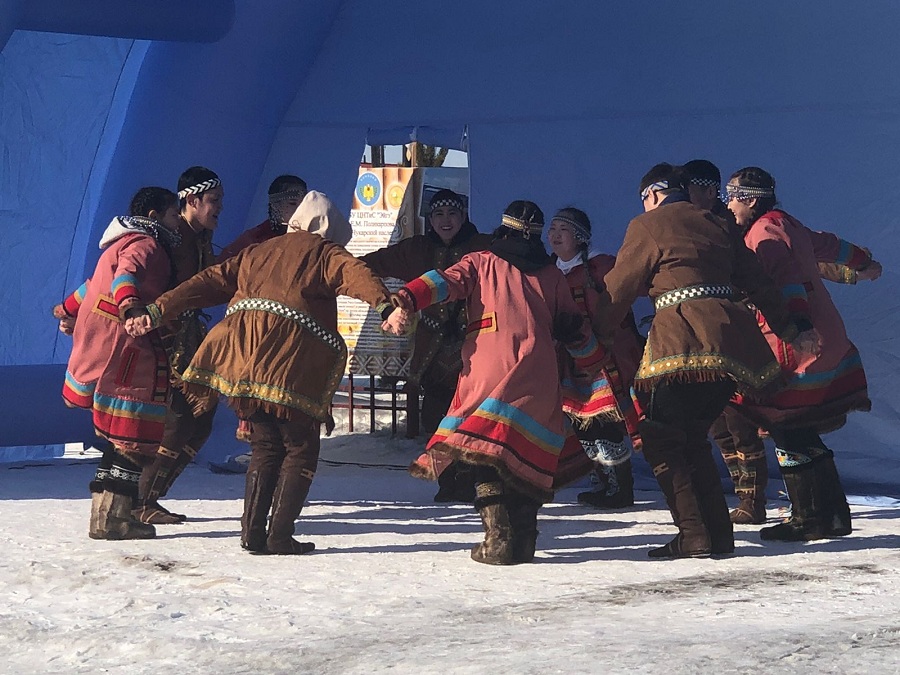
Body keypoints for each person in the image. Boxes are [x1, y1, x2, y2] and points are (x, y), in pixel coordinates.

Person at [126, 192, 394, 555]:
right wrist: (385, 304)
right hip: (289, 362)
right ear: (328, 229)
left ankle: (252, 533)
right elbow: (355, 274)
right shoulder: (323, 251)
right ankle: (280, 535)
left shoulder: (257, 252)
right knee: (300, 446)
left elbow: (207, 282)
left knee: (266, 445)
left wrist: (158, 310)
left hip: (243, 359)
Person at [592, 163, 811, 559]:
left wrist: (591, 334)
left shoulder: (648, 225)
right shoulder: (719, 222)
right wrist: (791, 327)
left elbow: (617, 290)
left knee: (662, 438)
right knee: (691, 438)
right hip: (734, 344)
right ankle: (718, 536)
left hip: (684, 342)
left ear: (652, 195)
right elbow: (757, 281)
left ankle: (694, 533)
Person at [383, 200, 604, 565]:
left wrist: (405, 299)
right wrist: (597, 366)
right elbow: (575, 329)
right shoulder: (551, 275)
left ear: (502, 229)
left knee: (484, 452)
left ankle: (498, 539)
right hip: (540, 374)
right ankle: (525, 539)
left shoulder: (482, 262)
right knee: (527, 457)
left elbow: (442, 282)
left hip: (490, 368)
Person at [725, 167, 881, 541]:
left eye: (731, 197)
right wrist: (862, 261)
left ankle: (808, 517)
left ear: (748, 198)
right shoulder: (788, 223)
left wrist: (796, 324)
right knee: (802, 427)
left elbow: (784, 278)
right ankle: (833, 515)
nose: (728, 205)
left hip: (797, 338)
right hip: (826, 331)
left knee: (785, 424)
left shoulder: (763, 230)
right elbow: (829, 244)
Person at [52, 187, 181, 540]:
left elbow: (92, 286)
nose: (178, 220)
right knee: (132, 439)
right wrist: (132, 308)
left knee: (119, 440)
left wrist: (66, 310)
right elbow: (125, 277)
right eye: (174, 213)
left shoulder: (118, 242)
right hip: (127, 354)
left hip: (111, 351)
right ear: (155, 216)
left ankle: (103, 517)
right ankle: (114, 519)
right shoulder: (146, 245)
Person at [361, 189, 491, 503]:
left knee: (472, 417)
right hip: (432, 350)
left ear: (463, 216)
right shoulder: (417, 249)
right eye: (438, 215)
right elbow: (371, 264)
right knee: (436, 416)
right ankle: (448, 482)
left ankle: (471, 481)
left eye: (452, 214)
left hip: (473, 348)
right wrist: (339, 270)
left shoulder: (482, 248)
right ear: (429, 219)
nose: (446, 221)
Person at [132, 166, 224, 525]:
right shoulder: (171, 238)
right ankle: (142, 500)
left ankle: (151, 496)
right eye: (213, 201)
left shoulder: (199, 240)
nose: (219, 208)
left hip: (189, 339)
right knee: (183, 417)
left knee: (201, 419)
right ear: (191, 200)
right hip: (167, 341)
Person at [546, 207, 644, 509]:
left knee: (605, 420)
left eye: (563, 229)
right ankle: (601, 482)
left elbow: (622, 301)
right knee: (582, 423)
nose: (555, 235)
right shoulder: (548, 271)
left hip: (603, 358)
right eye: (552, 229)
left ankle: (620, 487)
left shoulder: (601, 266)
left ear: (580, 237)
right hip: (568, 361)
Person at [218, 175, 307, 262]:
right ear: (275, 205)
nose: (300, 209)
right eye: (292, 203)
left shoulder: (310, 238)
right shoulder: (254, 239)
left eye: (304, 204)